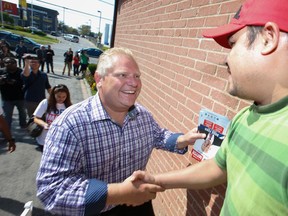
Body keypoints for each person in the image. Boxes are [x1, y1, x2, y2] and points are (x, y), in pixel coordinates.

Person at [132, 0, 288, 215]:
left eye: (233, 44)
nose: (226, 59)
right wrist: (157, 180)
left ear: (268, 39)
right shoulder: (245, 117)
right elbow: (217, 168)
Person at [36, 47, 206, 216]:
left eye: (137, 76)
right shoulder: (69, 125)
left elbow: (157, 135)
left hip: (137, 205)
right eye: (123, 75)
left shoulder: (142, 114)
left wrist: (182, 139)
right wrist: (120, 193)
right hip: (94, 210)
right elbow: (52, 191)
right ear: (99, 79)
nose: (134, 83)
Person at [33, 84, 72, 151]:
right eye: (58, 96)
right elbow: (35, 118)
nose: (61, 99)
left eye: (64, 97)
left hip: (60, 140)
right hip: (44, 139)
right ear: (53, 95)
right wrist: (44, 124)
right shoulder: (46, 103)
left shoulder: (69, 106)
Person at [0, 57, 26, 129]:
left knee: (23, 113)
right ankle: (6, 131)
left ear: (16, 64)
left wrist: (12, 82)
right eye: (7, 63)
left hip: (20, 97)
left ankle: (23, 125)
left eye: (12, 63)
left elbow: (24, 84)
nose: (9, 64)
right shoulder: (1, 71)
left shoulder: (21, 72)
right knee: (7, 116)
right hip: (6, 98)